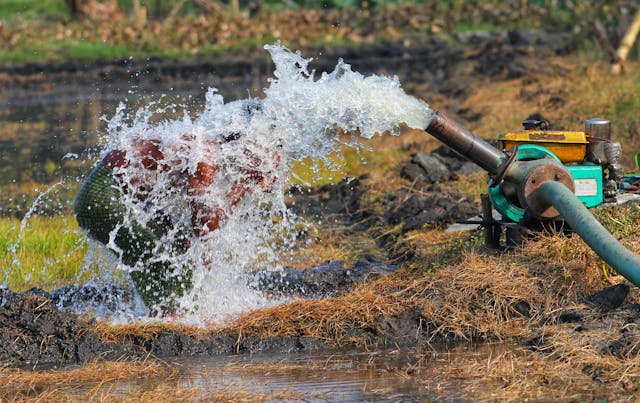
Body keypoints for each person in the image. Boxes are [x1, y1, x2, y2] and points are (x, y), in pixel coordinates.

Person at [74, 102, 279, 313]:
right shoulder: (205, 155)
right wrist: (243, 185)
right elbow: (204, 227)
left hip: (109, 196)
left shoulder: (205, 145)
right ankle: (171, 319)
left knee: (176, 247)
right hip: (104, 197)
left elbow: (201, 230)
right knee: (181, 256)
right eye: (257, 150)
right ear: (241, 141)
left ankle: (163, 315)